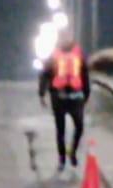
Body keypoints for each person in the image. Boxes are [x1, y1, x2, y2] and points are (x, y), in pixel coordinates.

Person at [38, 29, 91, 170]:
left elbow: (84, 74)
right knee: (60, 129)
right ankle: (62, 158)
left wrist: (87, 94)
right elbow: (45, 75)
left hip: (76, 97)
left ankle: (72, 152)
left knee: (79, 126)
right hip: (59, 97)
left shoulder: (79, 55)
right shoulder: (54, 56)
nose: (66, 39)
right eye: (63, 37)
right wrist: (42, 93)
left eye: (68, 37)